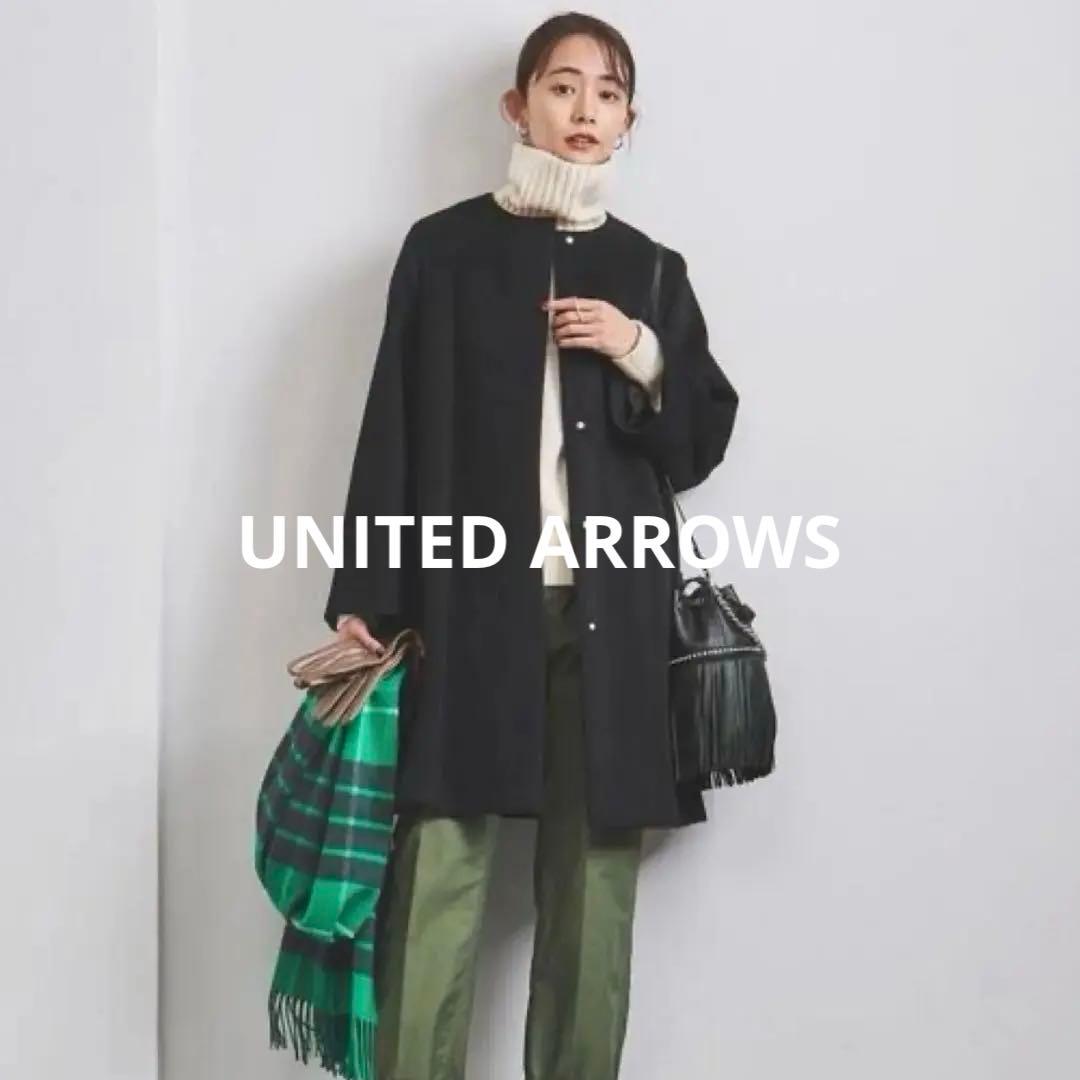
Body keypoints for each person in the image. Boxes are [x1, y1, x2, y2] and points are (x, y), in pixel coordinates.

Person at [325, 12, 739, 1078]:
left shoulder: (650, 269)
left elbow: (697, 444)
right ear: (518, 107)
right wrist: (368, 593)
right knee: (436, 873)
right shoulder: (444, 250)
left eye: (608, 94)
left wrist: (641, 350)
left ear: (630, 121)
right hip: (469, 606)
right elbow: (394, 424)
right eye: (563, 87)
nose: (585, 110)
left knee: (593, 892)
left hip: (613, 614)